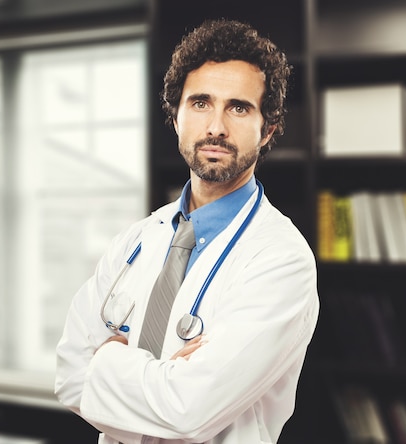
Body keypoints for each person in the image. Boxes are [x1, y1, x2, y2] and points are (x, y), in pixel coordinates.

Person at [55, 18, 319, 444]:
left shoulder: (282, 259)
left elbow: (187, 411)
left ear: (267, 129)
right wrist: (167, 376)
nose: (216, 126)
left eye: (238, 107)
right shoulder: (135, 240)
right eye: (200, 103)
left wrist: (104, 360)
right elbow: (69, 374)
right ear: (176, 118)